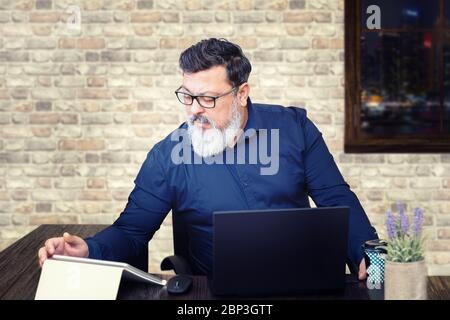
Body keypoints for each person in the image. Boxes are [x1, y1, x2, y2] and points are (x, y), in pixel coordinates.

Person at [38, 38, 377, 280]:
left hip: (299, 280)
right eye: (187, 95)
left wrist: (368, 255)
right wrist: (88, 249)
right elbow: (132, 230)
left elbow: (336, 197)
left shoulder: (295, 128)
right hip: (212, 291)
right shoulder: (167, 154)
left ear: (241, 93)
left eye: (207, 98)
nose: (194, 108)